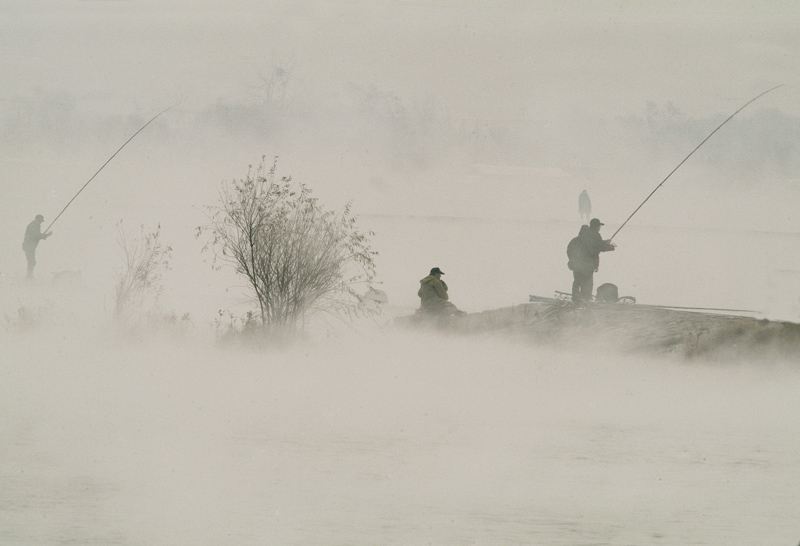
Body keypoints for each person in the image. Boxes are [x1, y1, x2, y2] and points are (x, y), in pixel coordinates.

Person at [566, 218, 615, 304]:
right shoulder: (595, 236)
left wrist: (573, 261)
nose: (600, 228)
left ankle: (575, 299)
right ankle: (586, 300)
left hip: (577, 266)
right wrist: (611, 246)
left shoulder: (576, 239)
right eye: (599, 226)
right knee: (587, 284)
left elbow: (569, 250)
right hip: (587, 266)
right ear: (597, 227)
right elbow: (599, 247)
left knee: (577, 281)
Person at [22, 214, 52, 279]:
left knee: (32, 261)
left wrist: (45, 235)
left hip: (31, 246)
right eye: (40, 221)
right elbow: (36, 235)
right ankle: (29, 276)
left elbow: (37, 236)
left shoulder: (35, 226)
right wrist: (46, 235)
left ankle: (29, 275)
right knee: (31, 261)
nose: (41, 222)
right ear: (37, 220)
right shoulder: (33, 226)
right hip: (28, 246)